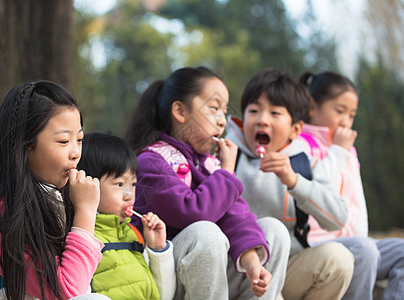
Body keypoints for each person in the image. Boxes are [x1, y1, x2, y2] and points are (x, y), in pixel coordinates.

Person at [124, 66, 290, 300]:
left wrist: (253, 262)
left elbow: (237, 215)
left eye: (224, 111)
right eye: (214, 108)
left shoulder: (210, 164)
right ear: (180, 111)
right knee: (206, 233)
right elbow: (194, 212)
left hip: (209, 279)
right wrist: (227, 172)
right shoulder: (152, 161)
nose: (222, 121)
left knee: (274, 231)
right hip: (163, 279)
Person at [0, 81, 110, 299]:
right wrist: (86, 212)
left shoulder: (52, 194)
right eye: (64, 141)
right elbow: (66, 290)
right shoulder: (1, 208)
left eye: (80, 140)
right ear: (25, 145)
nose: (75, 153)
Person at [225, 68, 355, 300]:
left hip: (288, 270)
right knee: (269, 229)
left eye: (275, 113)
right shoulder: (226, 158)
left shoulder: (305, 164)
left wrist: (294, 181)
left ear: (295, 129)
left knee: (339, 260)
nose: (262, 119)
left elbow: (337, 219)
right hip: (237, 270)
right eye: (254, 110)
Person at [298, 71, 404, 300]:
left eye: (351, 115)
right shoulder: (301, 146)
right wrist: (337, 151)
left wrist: (362, 238)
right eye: (339, 111)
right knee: (364, 250)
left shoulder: (347, 150)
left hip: (356, 244)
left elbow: (357, 201)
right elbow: (315, 190)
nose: (346, 120)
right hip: (318, 245)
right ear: (312, 106)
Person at [77, 132, 175, 299]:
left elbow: (164, 296)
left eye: (133, 184)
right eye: (119, 184)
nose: (129, 195)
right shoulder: (82, 237)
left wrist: (158, 249)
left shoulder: (134, 235)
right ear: (89, 183)